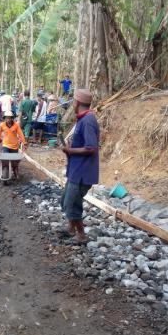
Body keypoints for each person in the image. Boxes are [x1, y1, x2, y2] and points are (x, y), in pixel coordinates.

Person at [60, 89, 99, 243]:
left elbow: (91, 148)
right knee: (66, 200)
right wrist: (71, 148)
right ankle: (70, 228)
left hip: (82, 172)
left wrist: (70, 150)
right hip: (76, 170)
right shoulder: (82, 119)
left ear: (76, 103)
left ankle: (81, 235)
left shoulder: (88, 120)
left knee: (72, 203)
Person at [0, 110, 26, 178]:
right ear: (4, 118)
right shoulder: (2, 125)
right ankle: (3, 170)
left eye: (9, 118)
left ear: (12, 118)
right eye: (6, 118)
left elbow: (20, 134)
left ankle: (15, 170)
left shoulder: (16, 125)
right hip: (6, 145)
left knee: (15, 161)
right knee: (5, 159)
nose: (8, 119)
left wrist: (24, 143)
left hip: (14, 146)